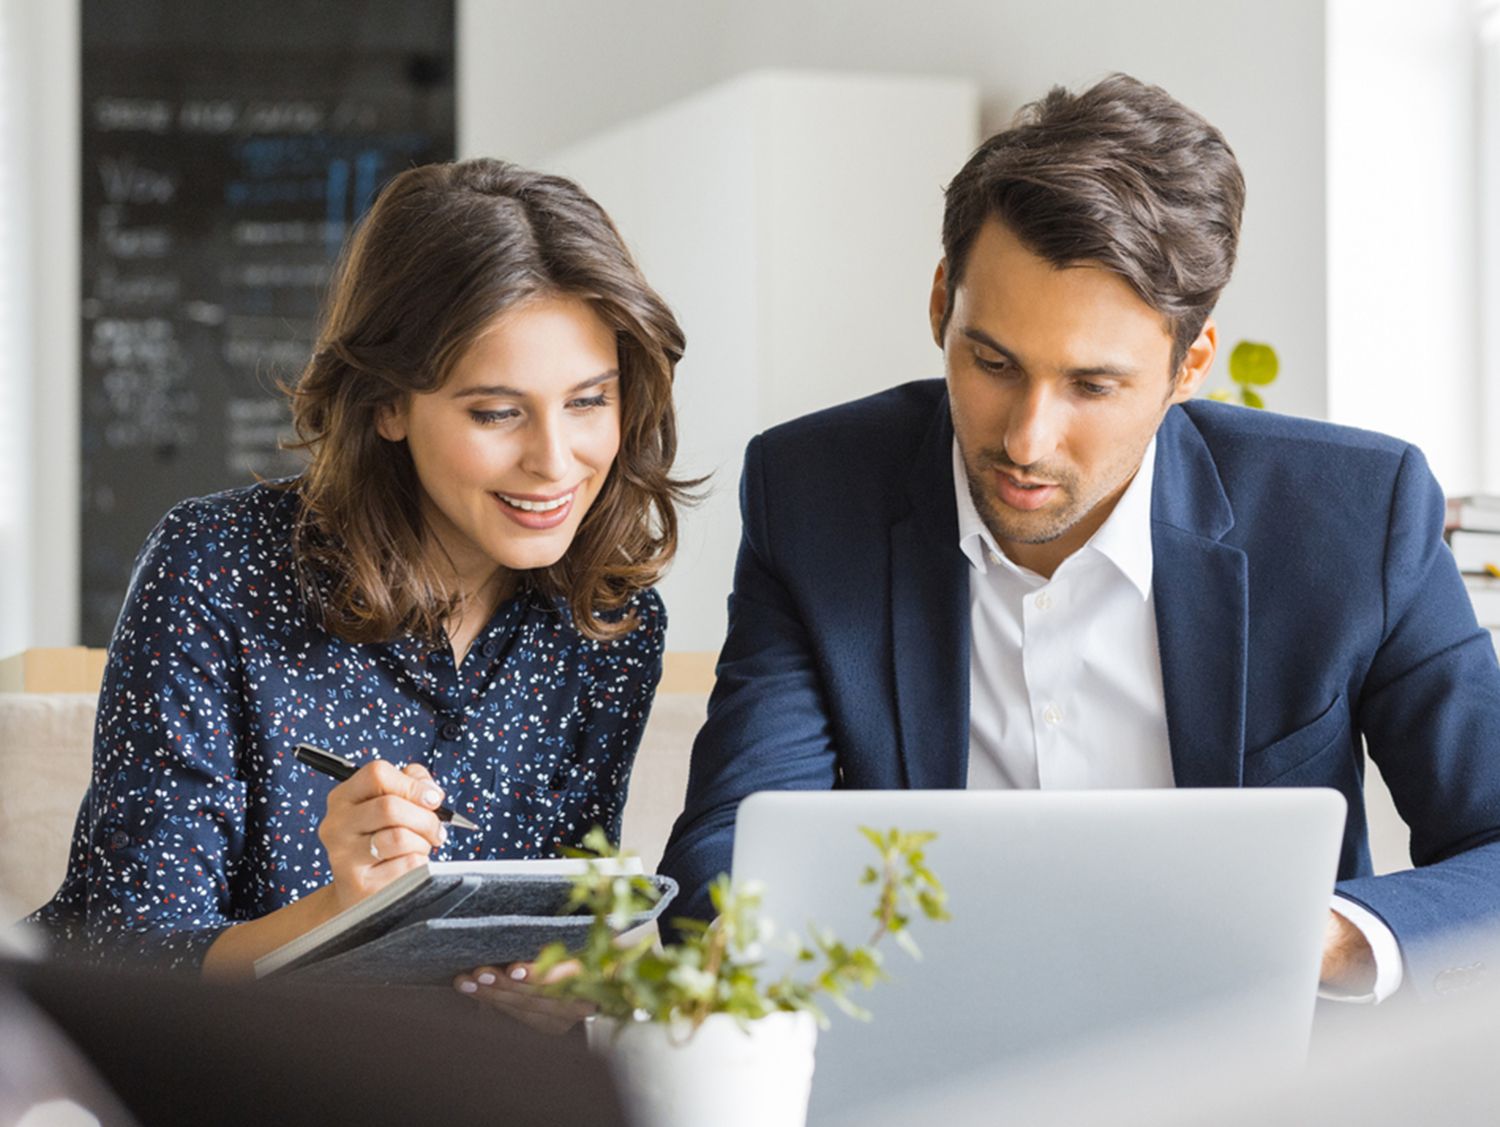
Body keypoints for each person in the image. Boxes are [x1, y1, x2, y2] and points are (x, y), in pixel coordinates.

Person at [659, 74, 1500, 1002]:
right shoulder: (815, 492)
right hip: (927, 1055)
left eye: (1092, 386)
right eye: (991, 362)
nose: (1026, 438)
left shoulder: (1354, 515)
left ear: (1189, 367)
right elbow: (730, 846)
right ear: (943, 303)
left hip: (1257, 1069)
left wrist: (1325, 936)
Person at [29, 159, 694, 1000]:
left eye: (590, 401)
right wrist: (344, 911)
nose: (556, 462)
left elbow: (555, 935)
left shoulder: (610, 629)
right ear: (386, 404)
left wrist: (554, 992)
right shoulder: (213, 569)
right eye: (496, 412)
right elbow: (125, 960)